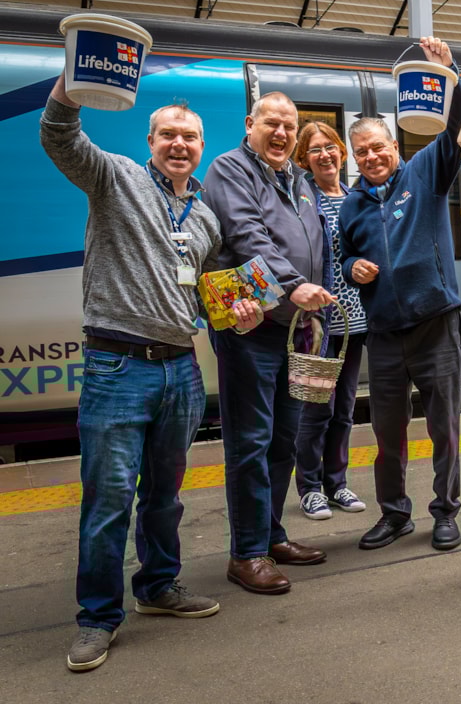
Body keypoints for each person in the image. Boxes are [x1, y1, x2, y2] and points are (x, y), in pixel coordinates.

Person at [41, 74, 258, 671]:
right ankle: (97, 618)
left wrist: (241, 311)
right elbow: (60, 137)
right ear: (150, 139)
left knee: (164, 496)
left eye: (190, 136)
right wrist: (70, 82)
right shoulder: (115, 178)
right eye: (169, 135)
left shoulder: (206, 219)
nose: (179, 144)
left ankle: (159, 588)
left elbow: (214, 297)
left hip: (180, 371)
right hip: (116, 365)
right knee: (108, 501)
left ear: (202, 145)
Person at [339, 36, 461, 553]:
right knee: (387, 436)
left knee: (445, 429)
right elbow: (342, 259)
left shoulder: (425, 172)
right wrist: (353, 269)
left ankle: (446, 512)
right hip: (385, 333)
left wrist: (449, 71)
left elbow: (460, 129)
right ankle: (395, 514)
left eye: (379, 147)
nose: (372, 157)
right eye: (362, 151)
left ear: (395, 147)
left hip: (435, 322)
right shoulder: (351, 206)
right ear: (356, 157)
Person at [204, 91, 334, 595]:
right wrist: (291, 283)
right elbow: (247, 234)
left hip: (296, 331)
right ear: (249, 124)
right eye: (272, 123)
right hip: (252, 329)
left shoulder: (299, 180)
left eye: (288, 125)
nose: (281, 133)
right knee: (251, 441)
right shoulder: (230, 169)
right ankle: (247, 554)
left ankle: (271, 534)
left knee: (285, 438)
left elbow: (314, 242)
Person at [292, 123, 369, 520]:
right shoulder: (302, 199)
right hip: (320, 324)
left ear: (342, 152)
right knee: (315, 408)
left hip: (355, 322)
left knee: (344, 408)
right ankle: (309, 487)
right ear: (303, 160)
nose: (325, 155)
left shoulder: (358, 196)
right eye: (315, 150)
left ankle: (336, 483)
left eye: (331, 147)